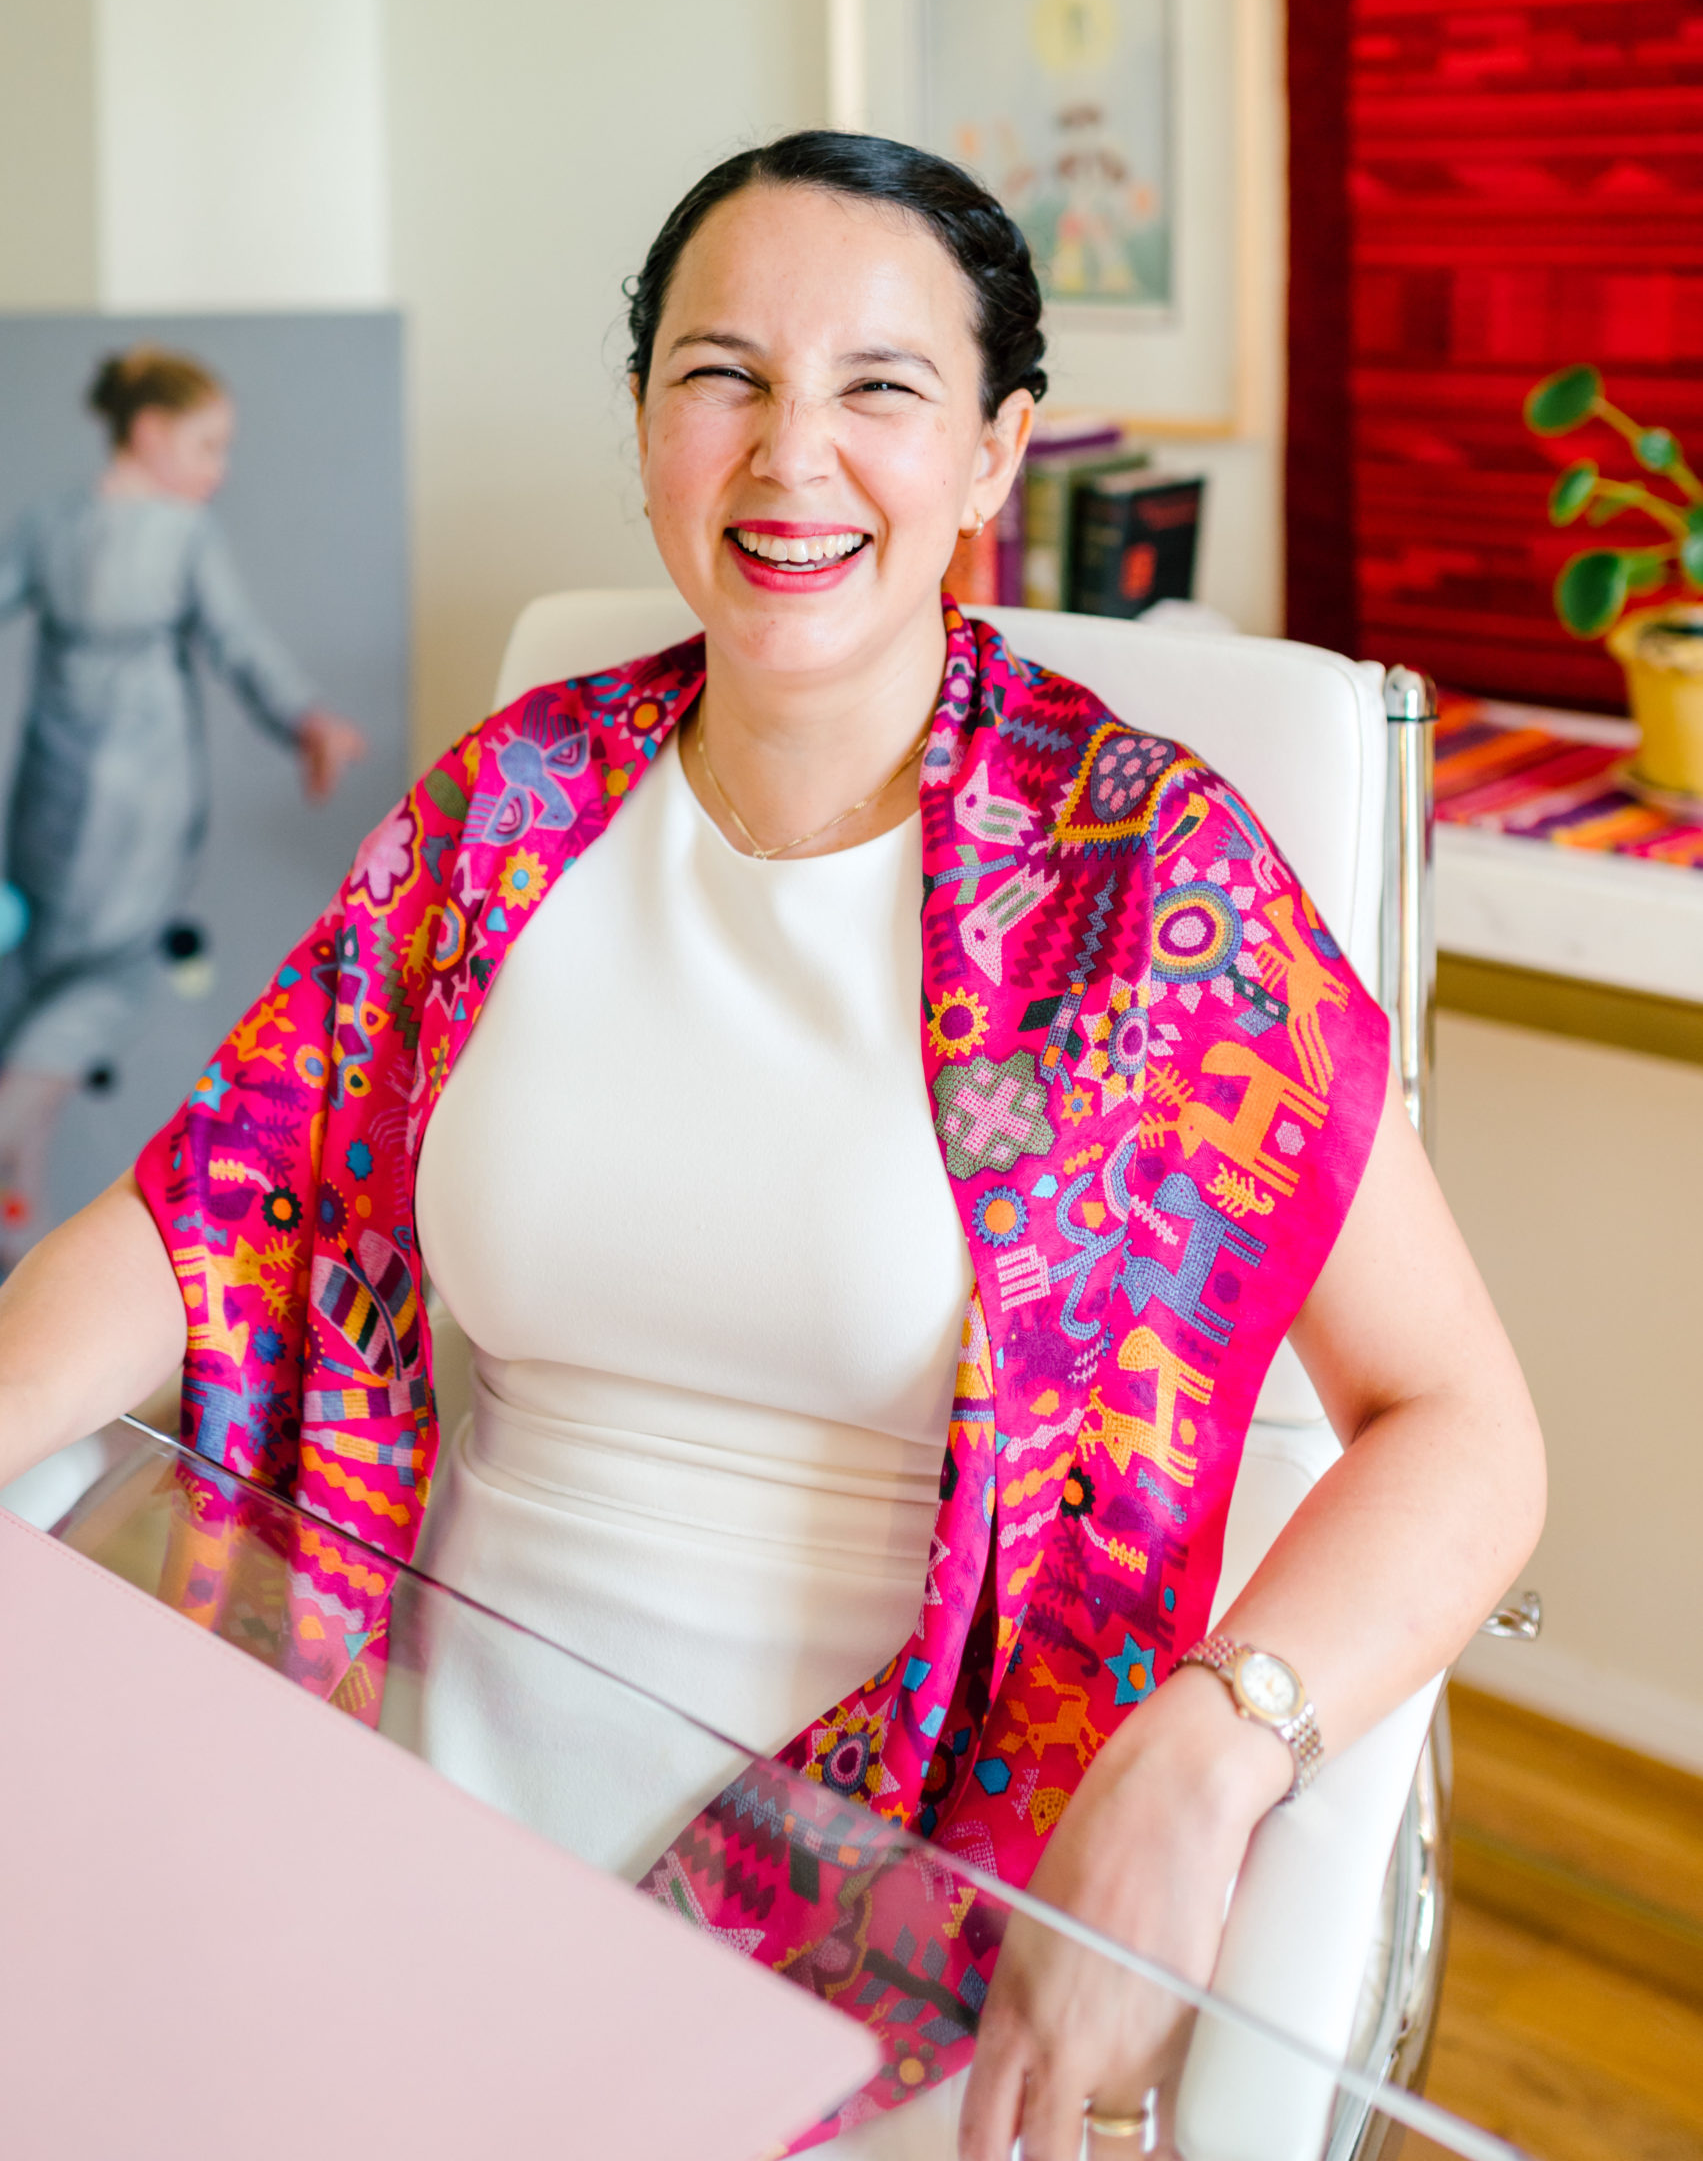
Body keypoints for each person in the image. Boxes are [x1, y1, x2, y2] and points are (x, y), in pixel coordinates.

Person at [0, 139, 1544, 2158]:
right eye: (720, 375)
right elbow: (212, 1205)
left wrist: (1213, 1739)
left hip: (898, 1902)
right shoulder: (515, 802)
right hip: (409, 1800)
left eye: (877, 387)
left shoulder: (1142, 884)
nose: (787, 456)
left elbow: (1462, 1425)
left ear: (991, 452)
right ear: (643, 426)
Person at [0, 345, 366, 1271]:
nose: (220, 468)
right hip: (140, 797)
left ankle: (16, 1197)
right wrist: (308, 722)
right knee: (106, 975)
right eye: (209, 445)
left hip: (48, 788)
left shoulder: (49, 525)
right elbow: (239, 645)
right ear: (152, 433)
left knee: (37, 969)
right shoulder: (180, 537)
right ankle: (13, 1149)